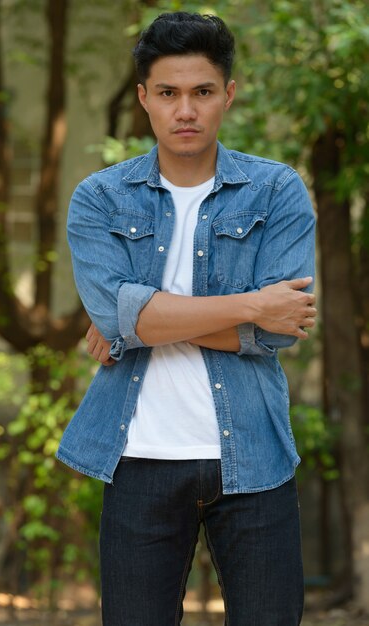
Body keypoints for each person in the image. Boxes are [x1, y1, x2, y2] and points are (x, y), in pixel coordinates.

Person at [56, 11, 316, 626]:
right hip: (138, 456)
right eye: (168, 93)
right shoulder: (100, 198)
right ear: (144, 98)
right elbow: (263, 317)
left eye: (202, 92)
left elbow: (284, 329)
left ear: (227, 94)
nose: (186, 111)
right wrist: (252, 304)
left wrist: (141, 319)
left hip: (254, 456)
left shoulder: (276, 191)